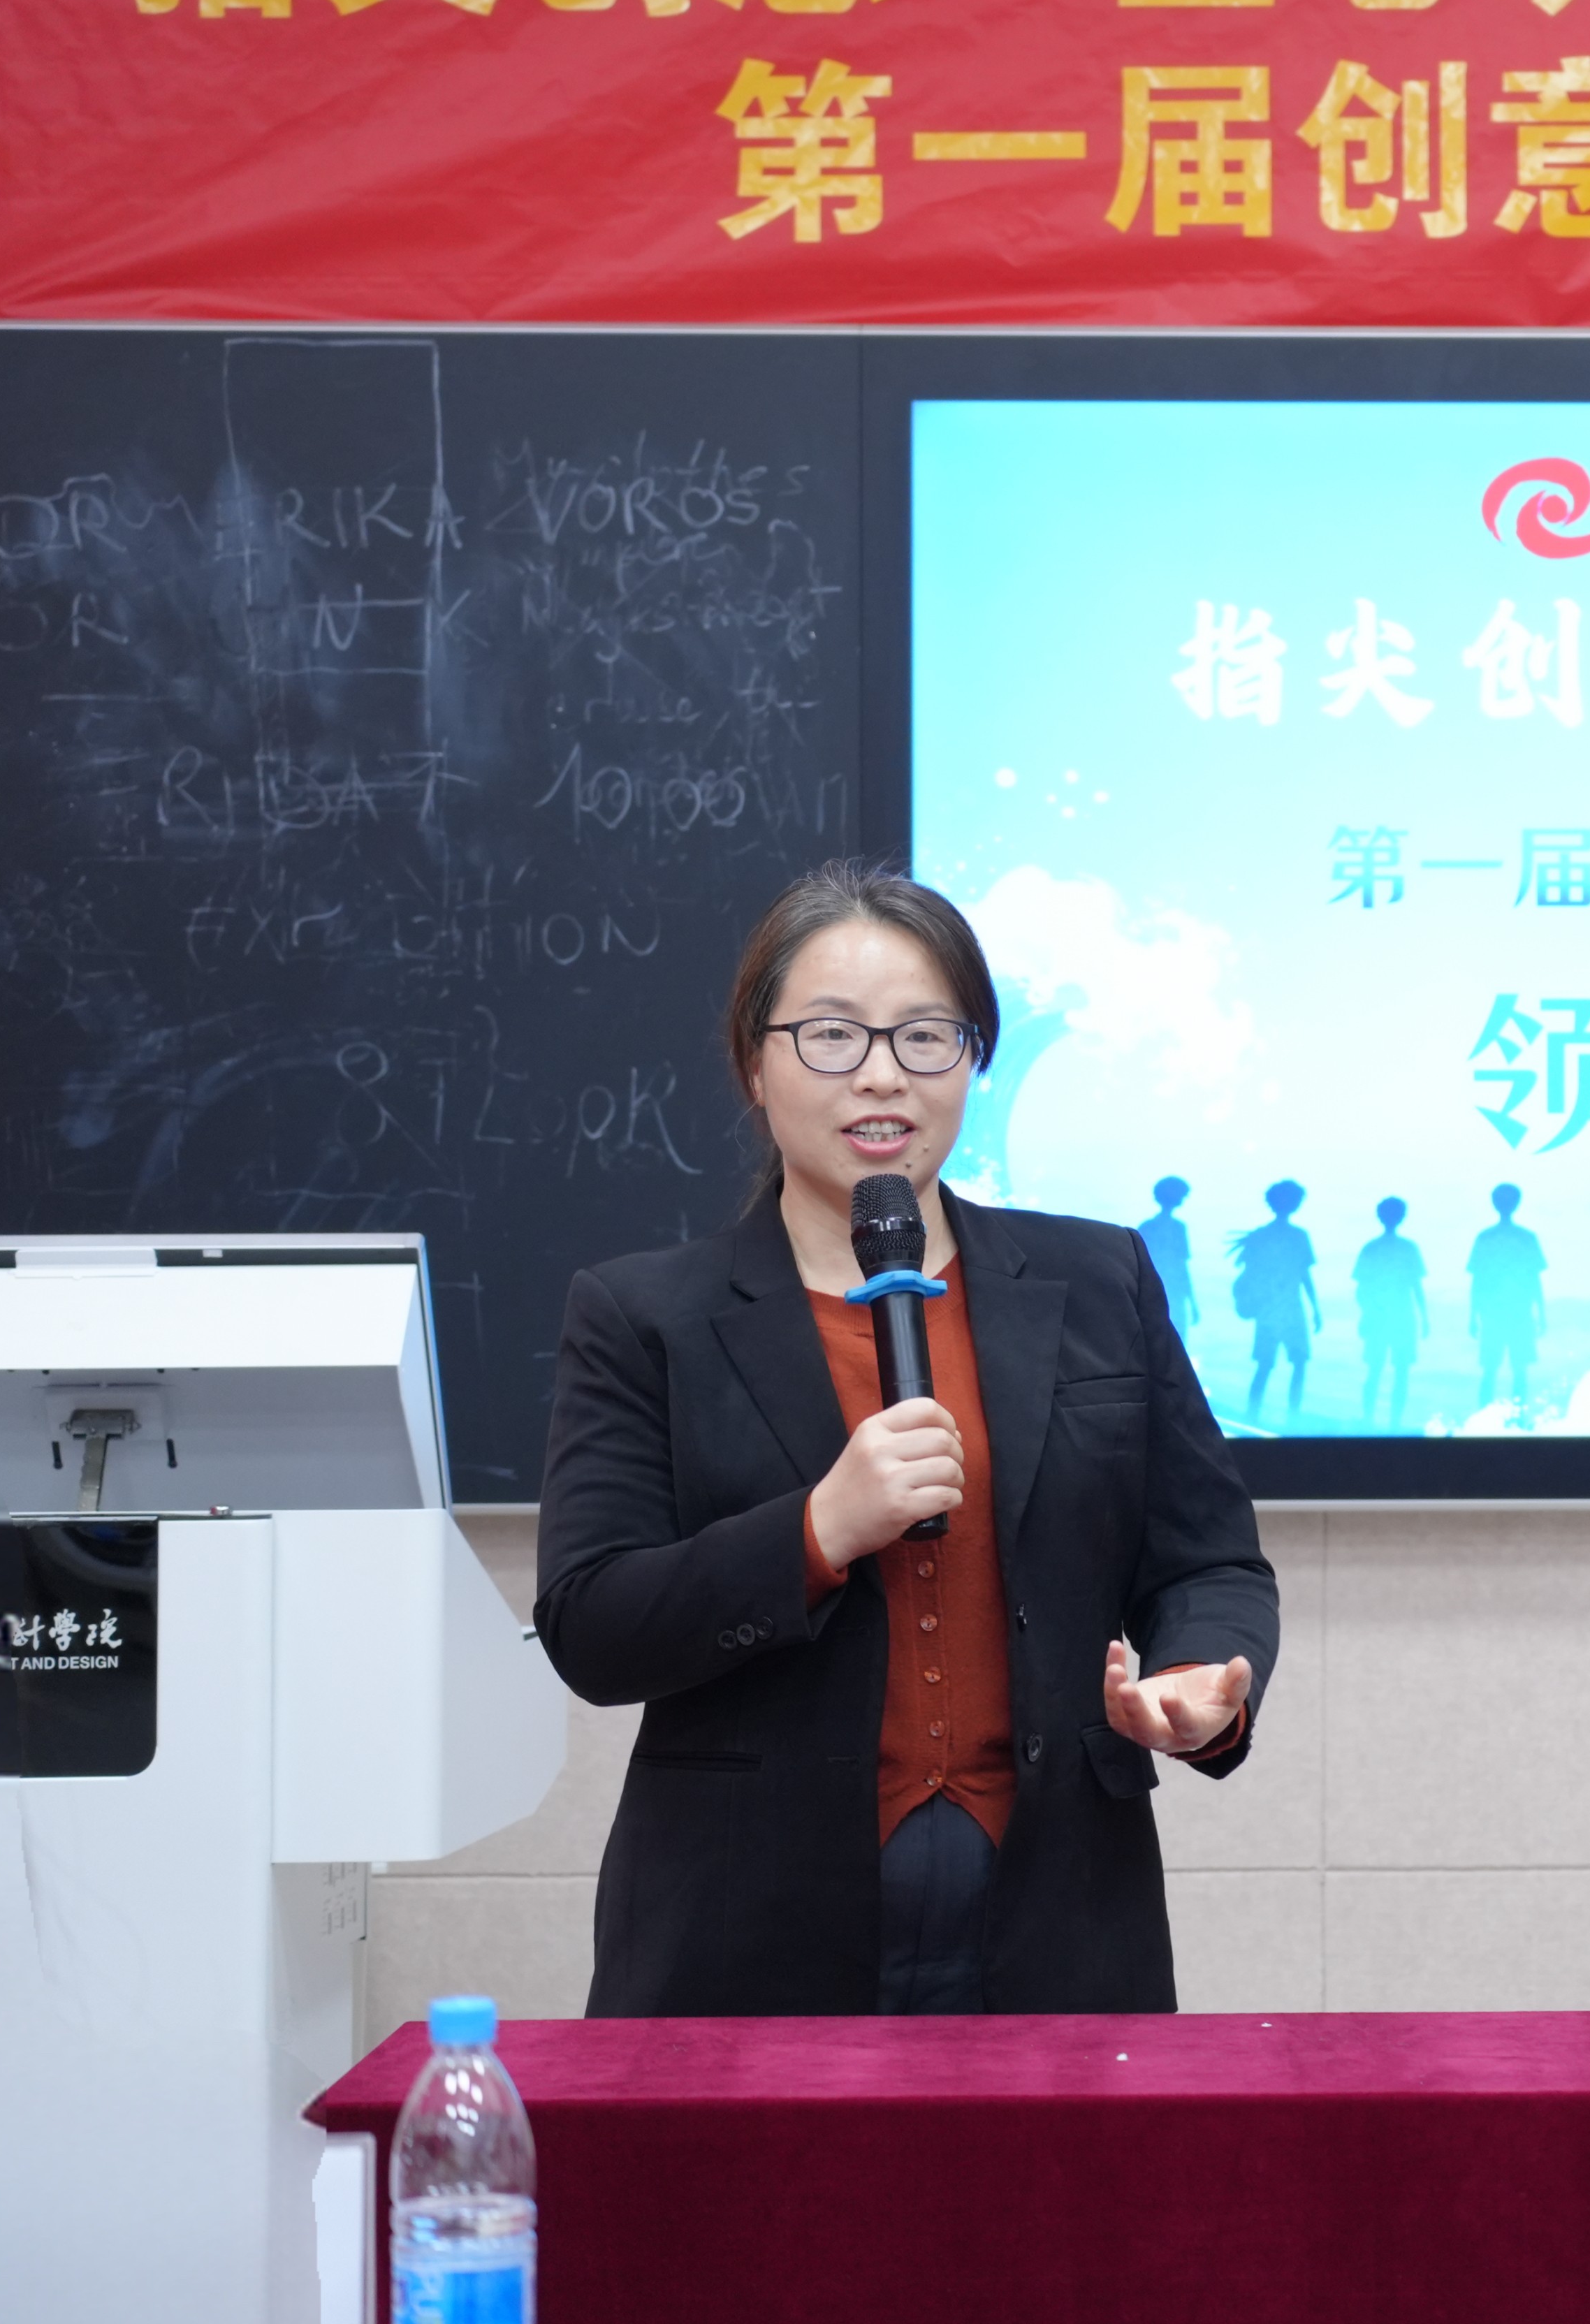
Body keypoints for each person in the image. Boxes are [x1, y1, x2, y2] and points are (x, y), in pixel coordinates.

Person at [535, 862, 1277, 2019]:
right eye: (833, 1035)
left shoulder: (1099, 1279)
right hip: (748, 1923)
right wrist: (818, 1530)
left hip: (1062, 1910)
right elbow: (593, 1627)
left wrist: (1198, 1678)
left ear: (972, 1060)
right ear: (754, 1062)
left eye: (926, 1036)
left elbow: (1209, 1563)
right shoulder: (644, 1316)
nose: (883, 1073)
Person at [1232, 1180, 1320, 1425]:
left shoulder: (1263, 1236)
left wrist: (1315, 1308)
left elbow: (1250, 1274)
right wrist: (1315, 1308)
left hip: (1273, 1310)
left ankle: (1256, 1415)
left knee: (1269, 1366)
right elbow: (1305, 1275)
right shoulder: (1297, 1236)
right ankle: (1289, 1417)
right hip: (1286, 1309)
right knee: (1293, 1364)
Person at [1468, 1181, 1547, 1410]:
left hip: (1495, 1314)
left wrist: (1473, 1315)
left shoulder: (1486, 1238)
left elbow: (1477, 1281)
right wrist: (1542, 1314)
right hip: (1517, 1313)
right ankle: (1516, 1418)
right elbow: (1535, 1280)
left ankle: (1486, 1416)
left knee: (1491, 1370)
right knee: (1518, 1371)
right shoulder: (1526, 1238)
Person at [1350, 1197, 1427, 1429]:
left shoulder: (1371, 1248)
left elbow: (1361, 1289)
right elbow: (1416, 1286)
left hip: (1381, 1317)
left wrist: (1366, 1313)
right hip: (1401, 1317)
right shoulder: (1408, 1248)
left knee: (1375, 1370)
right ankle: (1393, 1422)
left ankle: (1370, 1419)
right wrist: (1425, 1317)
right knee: (1399, 1372)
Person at [1134, 1176, 1199, 1334]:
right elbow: (1182, 1267)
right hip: (1166, 1295)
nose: (1183, 1199)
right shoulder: (1178, 1228)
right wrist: (1192, 1303)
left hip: (1154, 1295)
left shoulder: (1147, 1227)